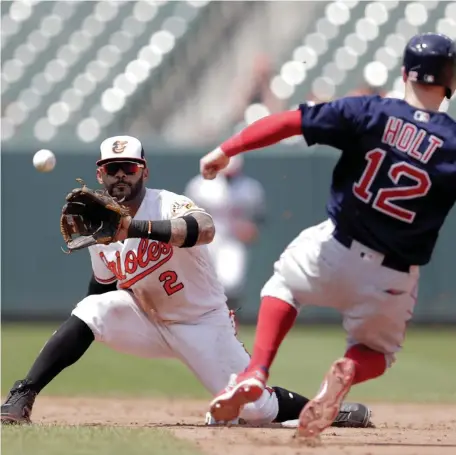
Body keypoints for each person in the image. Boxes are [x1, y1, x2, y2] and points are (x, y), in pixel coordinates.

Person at [1, 135, 371, 429]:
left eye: (128, 167)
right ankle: (22, 394)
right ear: (100, 175)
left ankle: (325, 408)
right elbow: (100, 290)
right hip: (148, 321)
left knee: (256, 409)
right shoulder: (99, 228)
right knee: (93, 308)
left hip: (202, 323)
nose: (120, 175)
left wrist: (133, 228)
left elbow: (204, 229)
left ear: (144, 172)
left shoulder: (168, 204)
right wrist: (84, 329)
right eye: (111, 168)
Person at [199, 32, 456, 439]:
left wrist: (228, 149)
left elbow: (288, 122)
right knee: (379, 353)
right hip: (392, 277)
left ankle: (256, 370)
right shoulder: (452, 144)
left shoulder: (369, 111)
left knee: (283, 286)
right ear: (451, 81)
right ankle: (348, 370)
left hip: (333, 249)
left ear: (404, 72)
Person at [185, 155, 266, 309]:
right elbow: (187, 216)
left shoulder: (250, 188)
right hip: (205, 240)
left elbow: (258, 219)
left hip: (232, 240)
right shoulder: (201, 186)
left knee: (231, 283)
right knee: (201, 282)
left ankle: (230, 322)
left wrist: (251, 228)